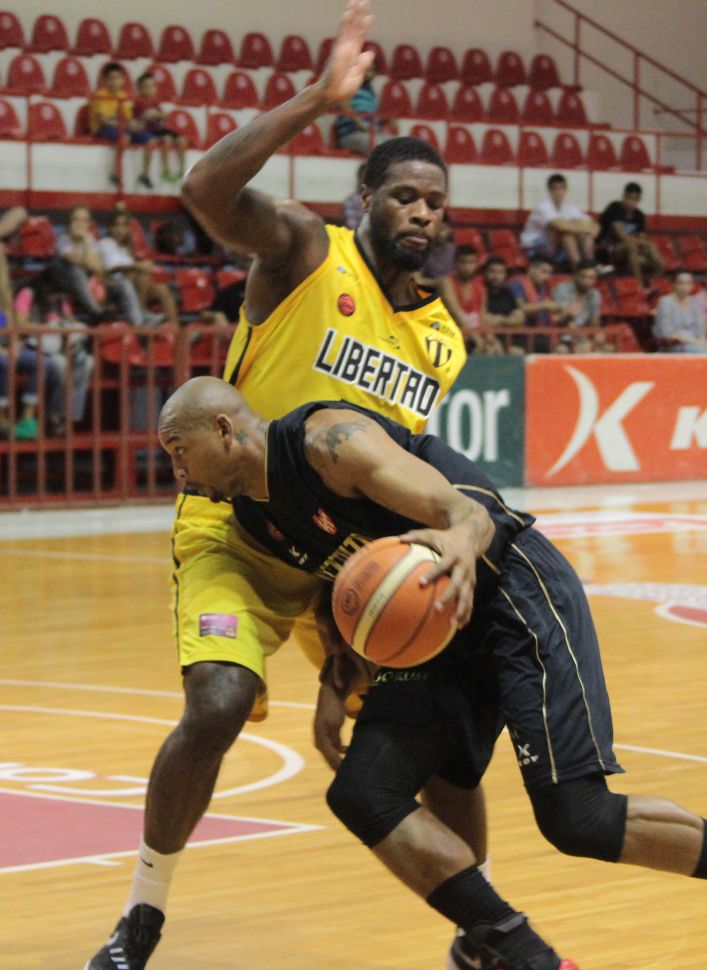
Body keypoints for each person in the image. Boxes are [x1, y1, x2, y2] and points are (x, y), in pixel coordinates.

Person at [84, 4, 472, 967]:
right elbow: (203, 189)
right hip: (236, 530)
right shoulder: (306, 252)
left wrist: (347, 649)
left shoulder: (443, 340)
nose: (422, 213)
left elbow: (390, 481)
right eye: (403, 196)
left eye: (435, 202)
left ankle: (484, 934)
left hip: (342, 559)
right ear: (363, 200)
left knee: (442, 726)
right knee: (217, 703)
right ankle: (141, 914)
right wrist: (316, 100)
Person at [157, 376, 707, 969]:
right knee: (364, 791)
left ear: (223, 430)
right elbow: (337, 581)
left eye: (179, 451)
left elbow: (467, 511)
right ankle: (523, 958)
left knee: (579, 819)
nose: (178, 473)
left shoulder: (328, 442)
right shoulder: (255, 515)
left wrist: (462, 542)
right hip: (440, 635)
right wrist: (334, 675)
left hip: (511, 592)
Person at [13, 268, 94, 435]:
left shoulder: (60, 298)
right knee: (59, 364)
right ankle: (54, 415)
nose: (55, 295)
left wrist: (73, 327)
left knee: (86, 362)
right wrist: (46, 328)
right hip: (35, 345)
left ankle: (68, 415)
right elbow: (20, 324)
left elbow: (69, 319)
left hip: (60, 344)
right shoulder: (28, 294)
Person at [97, 211, 178, 326]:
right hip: (115, 285)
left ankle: (175, 329)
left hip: (134, 284)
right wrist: (137, 266)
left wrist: (145, 266)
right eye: (116, 225)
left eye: (124, 226)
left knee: (162, 289)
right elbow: (112, 268)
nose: (120, 230)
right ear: (110, 228)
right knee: (142, 272)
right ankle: (141, 314)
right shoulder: (105, 243)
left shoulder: (125, 248)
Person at [520, 174, 599, 270]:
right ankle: (579, 269)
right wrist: (586, 228)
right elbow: (560, 226)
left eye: (562, 189)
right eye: (555, 189)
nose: (559, 192)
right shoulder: (543, 207)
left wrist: (591, 228)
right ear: (550, 191)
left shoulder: (568, 207)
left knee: (586, 236)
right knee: (566, 234)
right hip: (533, 246)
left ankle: (590, 267)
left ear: (566, 190)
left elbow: (590, 222)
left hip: (553, 245)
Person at [89, 63, 149, 185]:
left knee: (149, 139)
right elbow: (105, 121)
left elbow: (128, 118)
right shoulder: (100, 95)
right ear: (106, 80)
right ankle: (116, 174)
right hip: (102, 128)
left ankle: (144, 175)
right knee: (125, 137)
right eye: (112, 78)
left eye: (118, 78)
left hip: (121, 127)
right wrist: (125, 125)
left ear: (122, 80)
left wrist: (136, 124)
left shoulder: (123, 95)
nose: (115, 81)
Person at [598, 182, 664, 283]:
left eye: (635, 199)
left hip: (628, 249)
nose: (631, 202)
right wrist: (642, 242)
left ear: (639, 200)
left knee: (651, 248)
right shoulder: (614, 208)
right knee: (632, 245)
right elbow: (621, 235)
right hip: (607, 248)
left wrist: (647, 245)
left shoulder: (639, 215)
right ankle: (638, 284)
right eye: (629, 198)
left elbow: (642, 237)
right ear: (623, 196)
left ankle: (653, 283)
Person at [131, 72, 187, 189]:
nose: (149, 89)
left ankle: (183, 171)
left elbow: (160, 117)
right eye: (146, 86)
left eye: (152, 86)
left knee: (182, 139)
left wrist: (161, 116)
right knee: (167, 139)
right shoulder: (138, 103)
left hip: (159, 129)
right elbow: (147, 117)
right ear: (139, 89)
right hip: (149, 130)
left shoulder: (155, 102)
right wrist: (158, 116)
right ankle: (166, 170)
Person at [334, 57, 397, 155]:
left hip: (373, 133)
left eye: (371, 70)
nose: (368, 73)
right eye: (365, 70)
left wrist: (388, 120)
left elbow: (375, 115)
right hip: (352, 134)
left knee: (397, 145)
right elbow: (344, 106)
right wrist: (358, 123)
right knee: (378, 148)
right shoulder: (349, 87)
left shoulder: (371, 92)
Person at [53, 206, 105, 321]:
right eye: (76, 219)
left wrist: (86, 241)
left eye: (84, 220)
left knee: (121, 283)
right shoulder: (63, 241)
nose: (80, 224)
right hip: (66, 284)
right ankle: (97, 312)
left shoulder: (91, 239)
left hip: (88, 284)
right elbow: (80, 261)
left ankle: (139, 322)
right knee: (76, 270)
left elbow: (99, 268)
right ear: (69, 223)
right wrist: (86, 243)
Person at [507, 256, 566, 353]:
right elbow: (522, 308)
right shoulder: (517, 284)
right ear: (531, 269)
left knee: (563, 349)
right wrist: (545, 305)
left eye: (549, 273)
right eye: (543, 271)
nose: (547, 277)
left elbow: (549, 316)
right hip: (523, 335)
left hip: (543, 334)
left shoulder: (544, 288)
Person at [437, 244, 485, 351]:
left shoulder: (480, 287)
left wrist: (489, 339)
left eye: (471, 262)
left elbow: (482, 317)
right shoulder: (446, 283)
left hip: (473, 335)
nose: (467, 267)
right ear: (455, 263)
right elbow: (456, 313)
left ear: (476, 264)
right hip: (449, 334)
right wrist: (476, 338)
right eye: (463, 262)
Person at [552, 259, 604, 353]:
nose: (586, 281)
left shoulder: (595, 294)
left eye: (591, 278)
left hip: (583, 335)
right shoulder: (562, 289)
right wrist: (583, 338)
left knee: (607, 348)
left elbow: (594, 323)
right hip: (562, 335)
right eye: (583, 276)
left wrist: (598, 334)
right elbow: (561, 321)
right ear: (575, 275)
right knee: (582, 348)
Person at [653, 268, 707, 352]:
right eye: (680, 283)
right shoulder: (665, 302)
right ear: (673, 284)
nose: (685, 287)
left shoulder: (694, 301)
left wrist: (702, 341)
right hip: (675, 345)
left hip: (695, 342)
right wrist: (695, 342)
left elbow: (699, 329)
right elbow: (667, 333)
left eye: (688, 283)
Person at [481, 257, 524, 354]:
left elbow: (519, 319)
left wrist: (498, 320)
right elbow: (483, 320)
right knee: (491, 350)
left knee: (517, 352)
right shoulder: (481, 291)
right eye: (492, 272)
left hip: (509, 340)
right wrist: (508, 321)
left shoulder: (508, 293)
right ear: (485, 273)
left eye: (500, 272)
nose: (496, 276)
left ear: (505, 275)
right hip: (487, 339)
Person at [341, 161, 366, 229]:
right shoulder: (350, 202)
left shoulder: (378, 200)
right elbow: (353, 228)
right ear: (359, 179)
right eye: (364, 178)